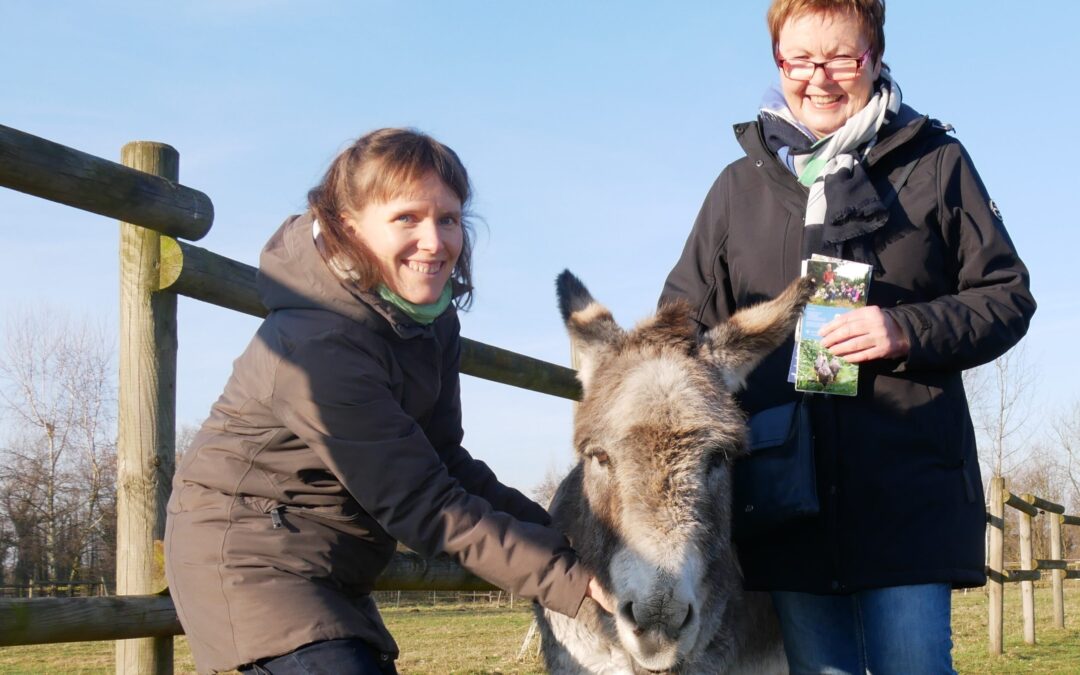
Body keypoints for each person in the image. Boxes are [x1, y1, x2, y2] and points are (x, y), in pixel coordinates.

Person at [659, 1, 1035, 672]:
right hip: (787, 501)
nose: (820, 77)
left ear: (876, 55)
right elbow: (679, 325)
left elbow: (1006, 296)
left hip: (907, 492)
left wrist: (904, 328)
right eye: (799, 59)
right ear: (779, 60)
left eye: (842, 57)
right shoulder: (737, 188)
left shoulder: (936, 163)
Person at [165, 128, 612, 675]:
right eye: (407, 218)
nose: (434, 241)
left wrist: (574, 537)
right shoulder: (314, 346)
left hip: (330, 560)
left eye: (448, 219)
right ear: (348, 226)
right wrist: (571, 582)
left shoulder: (429, 321)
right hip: (248, 557)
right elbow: (424, 504)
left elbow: (445, 461)